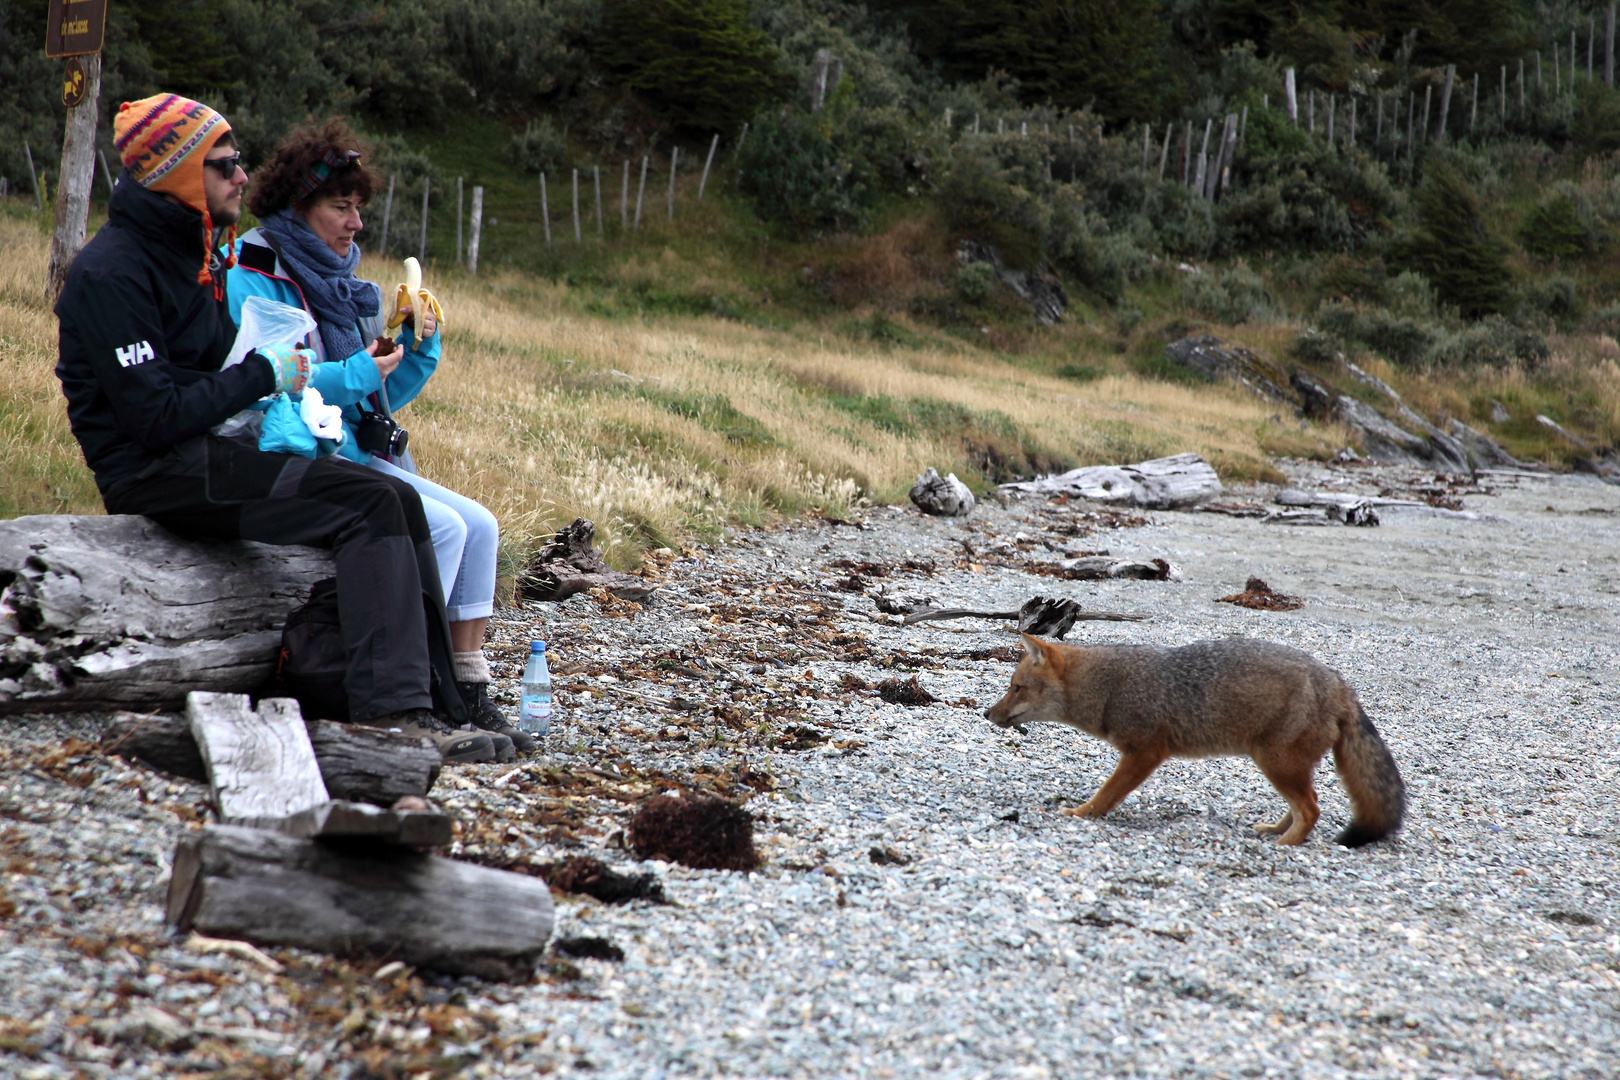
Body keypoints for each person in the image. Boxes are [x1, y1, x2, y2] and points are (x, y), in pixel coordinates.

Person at [53, 93, 497, 764]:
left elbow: (221, 377)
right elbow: (153, 416)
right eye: (226, 165)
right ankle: (393, 715)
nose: (241, 178)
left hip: (206, 453)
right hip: (156, 472)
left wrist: (368, 358)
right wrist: (264, 371)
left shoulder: (195, 259)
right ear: (179, 175)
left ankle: (443, 705)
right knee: (372, 500)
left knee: (396, 498)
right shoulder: (111, 273)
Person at [221, 118, 530, 756]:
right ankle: (422, 683)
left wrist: (417, 351)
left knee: (483, 525)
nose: (356, 225)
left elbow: (372, 397)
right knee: (441, 526)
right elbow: (270, 391)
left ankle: (466, 684)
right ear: (296, 206)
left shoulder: (344, 284)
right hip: (294, 455)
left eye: (359, 208)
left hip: (357, 446)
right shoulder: (255, 272)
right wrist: (362, 369)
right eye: (341, 207)